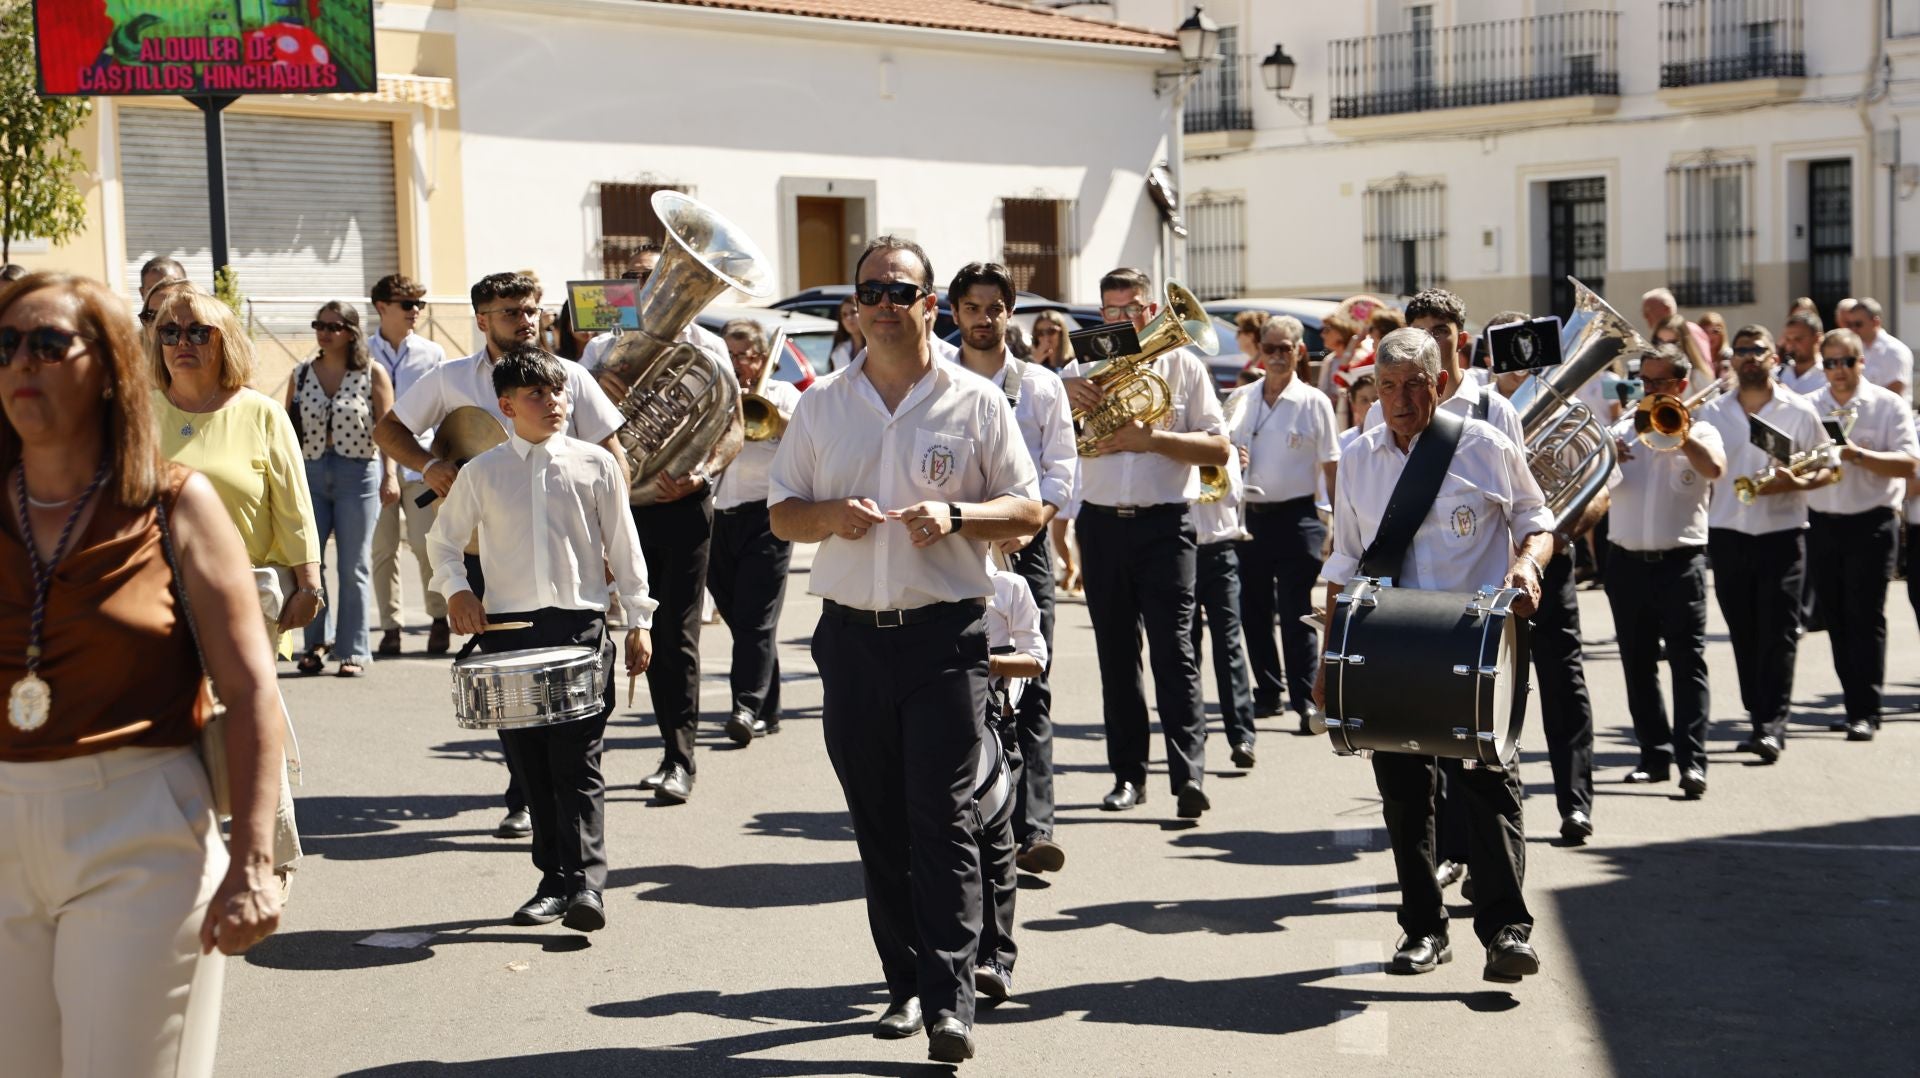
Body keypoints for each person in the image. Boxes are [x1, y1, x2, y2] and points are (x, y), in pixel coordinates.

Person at [768, 236, 1043, 1064]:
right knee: (879, 822)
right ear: (854, 307)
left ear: (931, 304)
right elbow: (781, 512)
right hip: (850, 639)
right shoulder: (822, 405)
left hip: (943, 638)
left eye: (902, 288)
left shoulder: (976, 402)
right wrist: (828, 518)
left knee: (945, 819)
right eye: (871, 289)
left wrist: (958, 518)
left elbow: (1028, 512)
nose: (886, 301)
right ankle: (904, 984)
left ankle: (951, 1002)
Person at [1, 272, 283, 1076]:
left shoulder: (173, 506)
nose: (23, 361)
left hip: (139, 830)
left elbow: (252, 686)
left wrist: (252, 863)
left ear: (111, 368)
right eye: (6, 345)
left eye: (49, 344)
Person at [1318, 326, 1552, 981]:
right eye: (1386, 387)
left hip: (1469, 642)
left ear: (1439, 385)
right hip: (1388, 642)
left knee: (1489, 790)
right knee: (1402, 799)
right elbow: (1343, 561)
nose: (1399, 399)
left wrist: (1528, 567)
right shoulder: (1359, 458)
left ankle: (1506, 930)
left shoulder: (1483, 446)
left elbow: (1538, 521)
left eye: (1413, 386)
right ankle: (1422, 930)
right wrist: (1327, 661)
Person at [374, 271, 628, 838]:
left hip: (565, 552)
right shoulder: (451, 378)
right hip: (480, 547)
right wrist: (427, 466)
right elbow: (388, 429)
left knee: (568, 690)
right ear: (482, 320)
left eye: (532, 309)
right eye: (511, 311)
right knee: (509, 681)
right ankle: (524, 792)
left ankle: (564, 832)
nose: (526, 320)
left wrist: (609, 542)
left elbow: (612, 454)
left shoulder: (570, 377)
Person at [426, 345, 654, 933]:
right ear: (506, 406)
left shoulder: (595, 464)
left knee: (578, 762)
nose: (554, 402)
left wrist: (639, 620)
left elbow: (625, 549)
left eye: (559, 392)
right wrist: (456, 590)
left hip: (579, 629)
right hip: (511, 632)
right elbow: (443, 541)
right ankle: (552, 880)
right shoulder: (481, 472)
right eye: (537, 394)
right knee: (530, 765)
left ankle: (587, 886)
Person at [1061, 267, 1229, 818]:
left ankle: (1190, 777)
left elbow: (1219, 450)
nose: (1125, 319)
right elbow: (1049, 439)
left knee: (1175, 653)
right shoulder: (1079, 368)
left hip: (1165, 525)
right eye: (1113, 311)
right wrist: (1065, 396)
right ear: (1102, 314)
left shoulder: (1183, 365)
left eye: (1134, 309)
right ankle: (1128, 777)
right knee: (1116, 656)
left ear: (1152, 307)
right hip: (1102, 525)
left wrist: (1150, 438)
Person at [584, 248, 734, 806]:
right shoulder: (603, 345)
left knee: (677, 637)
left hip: (681, 505)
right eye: (633, 278)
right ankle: (585, 760)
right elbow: (581, 424)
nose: (644, 285)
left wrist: (702, 474)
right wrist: (600, 383)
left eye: (653, 275)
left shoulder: (708, 347)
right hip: (620, 503)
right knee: (611, 631)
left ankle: (679, 757)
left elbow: (733, 431)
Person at [947, 263, 1077, 875]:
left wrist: (1032, 521)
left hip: (1025, 548)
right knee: (959, 684)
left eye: (993, 308)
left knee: (1031, 684)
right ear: (954, 313)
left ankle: (1035, 829)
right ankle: (970, 820)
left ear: (1009, 313)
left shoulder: (1043, 386)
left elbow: (1061, 470)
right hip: (953, 547)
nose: (982, 318)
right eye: (971, 307)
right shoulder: (935, 378)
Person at [150, 288, 324, 650]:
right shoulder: (137, 413)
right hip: (155, 597)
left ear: (225, 342)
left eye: (198, 332)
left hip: (243, 598)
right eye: (170, 332)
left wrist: (309, 586)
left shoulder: (262, 413)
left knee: (241, 706)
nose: (182, 341)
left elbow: (294, 509)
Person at [1698, 325, 1831, 763]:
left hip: (1782, 533)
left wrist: (1797, 481)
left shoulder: (1799, 409)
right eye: (1742, 351)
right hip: (1728, 533)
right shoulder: (1713, 412)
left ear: (1776, 357)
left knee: (1778, 632)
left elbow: (1828, 467)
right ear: (1732, 360)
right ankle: (1758, 715)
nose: (1750, 357)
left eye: (1758, 350)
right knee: (1744, 631)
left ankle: (1771, 725)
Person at [1604, 344, 1724, 797]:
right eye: (1645, 381)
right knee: (1637, 664)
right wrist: (1607, 455)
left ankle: (1693, 762)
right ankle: (1653, 756)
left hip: (1680, 564)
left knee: (1687, 663)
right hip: (1626, 564)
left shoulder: (1704, 430)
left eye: (1659, 383)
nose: (1649, 391)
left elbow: (1714, 468)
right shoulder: (1621, 429)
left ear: (1680, 386)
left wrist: (1680, 433)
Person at [1805, 328, 1920, 741]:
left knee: (1865, 616)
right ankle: (1853, 700)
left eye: (1846, 362)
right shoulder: (1809, 405)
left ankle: (1867, 711)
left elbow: (1909, 464)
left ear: (1861, 363)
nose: (1838, 371)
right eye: (1830, 363)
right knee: (1834, 616)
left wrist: (1856, 453)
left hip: (1871, 522)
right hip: (1822, 521)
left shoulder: (1886, 405)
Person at [1228, 315, 1338, 737]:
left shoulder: (1314, 401)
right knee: (1253, 611)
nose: (1275, 357)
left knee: (1296, 613)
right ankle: (1267, 691)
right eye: (1269, 349)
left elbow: (1331, 466)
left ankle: (1306, 699)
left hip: (1297, 517)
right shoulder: (1242, 397)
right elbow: (1221, 448)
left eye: (1284, 349)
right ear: (1260, 352)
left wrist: (1339, 527)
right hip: (1250, 515)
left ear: (1298, 352)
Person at [287, 301, 393, 677]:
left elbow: (387, 429)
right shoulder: (300, 374)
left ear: (350, 331)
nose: (324, 332)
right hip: (310, 474)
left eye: (333, 326)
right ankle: (316, 643)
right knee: (310, 565)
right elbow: (287, 430)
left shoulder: (372, 373)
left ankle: (354, 650)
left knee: (355, 566)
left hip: (358, 473)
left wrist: (390, 475)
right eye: (319, 325)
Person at [708, 318, 801, 745]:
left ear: (763, 357)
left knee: (756, 617)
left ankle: (745, 706)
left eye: (745, 354)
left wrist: (767, 412)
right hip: (719, 515)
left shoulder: (782, 395)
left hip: (768, 516)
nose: (738, 362)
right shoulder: (717, 394)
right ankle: (769, 707)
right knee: (743, 619)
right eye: (730, 354)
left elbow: (803, 442)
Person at [367, 273, 451, 656]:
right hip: (374, 464)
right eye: (407, 304)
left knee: (424, 544)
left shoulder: (432, 354)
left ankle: (438, 618)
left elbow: (445, 412)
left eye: (419, 304)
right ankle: (390, 627)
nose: (415, 311)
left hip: (421, 464)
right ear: (382, 307)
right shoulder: (363, 353)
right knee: (383, 549)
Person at [974, 555, 1046, 1003]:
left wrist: (985, 662)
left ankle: (997, 957)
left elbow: (1036, 659)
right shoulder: (924, 585)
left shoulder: (1010, 587)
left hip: (995, 725)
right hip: (936, 720)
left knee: (995, 843)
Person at [1841, 298, 1912, 400]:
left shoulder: (1894, 350)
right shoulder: (1857, 348)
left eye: (1858, 324)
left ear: (1875, 322)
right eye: (1850, 325)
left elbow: (1894, 394)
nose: (1853, 329)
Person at [1777, 311, 1827, 395]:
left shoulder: (1830, 375)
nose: (1791, 345)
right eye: (1788, 339)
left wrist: (1790, 396)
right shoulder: (1778, 373)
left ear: (1817, 338)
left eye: (1798, 339)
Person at [828, 294, 865, 373]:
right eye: (844, 315)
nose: (848, 318)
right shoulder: (839, 350)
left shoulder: (876, 346)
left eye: (853, 312)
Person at [1232, 309, 1270, 386]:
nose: (1236, 337)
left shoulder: (1265, 363)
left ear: (1250, 335)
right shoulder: (1252, 362)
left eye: (1239, 332)